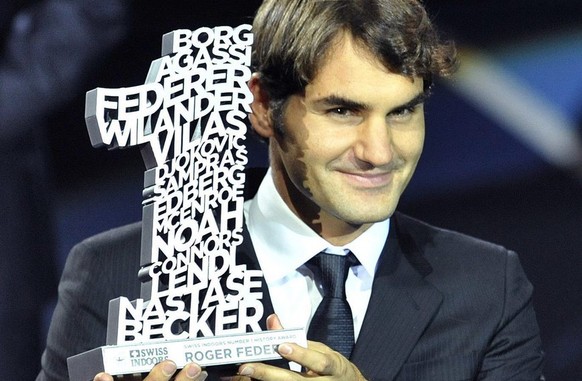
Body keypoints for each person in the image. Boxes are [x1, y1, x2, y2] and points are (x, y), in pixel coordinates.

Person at [38, 0, 545, 380]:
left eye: (402, 111)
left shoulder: (487, 288)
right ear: (262, 107)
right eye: (343, 111)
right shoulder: (113, 274)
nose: (379, 151)